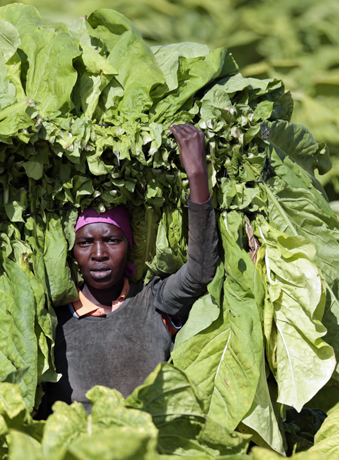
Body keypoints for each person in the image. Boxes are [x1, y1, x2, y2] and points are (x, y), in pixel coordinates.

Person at [35, 123, 219, 417]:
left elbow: (200, 270)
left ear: (129, 245)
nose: (98, 254)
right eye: (84, 242)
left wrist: (196, 175)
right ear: (71, 252)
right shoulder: (51, 322)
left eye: (111, 240)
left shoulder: (154, 302)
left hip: (152, 451)